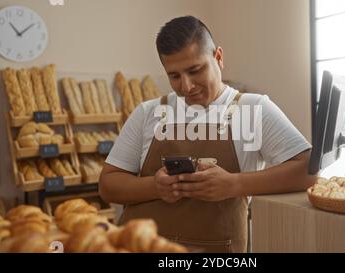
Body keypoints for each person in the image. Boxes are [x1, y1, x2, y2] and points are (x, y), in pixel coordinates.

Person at [99, 15, 316, 253]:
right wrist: (156, 187)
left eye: (195, 70)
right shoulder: (147, 113)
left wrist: (233, 184)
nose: (187, 86)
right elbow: (108, 186)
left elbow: (307, 170)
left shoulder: (253, 108)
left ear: (218, 58)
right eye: (174, 76)